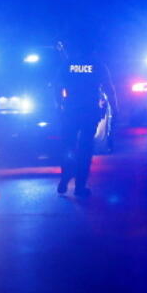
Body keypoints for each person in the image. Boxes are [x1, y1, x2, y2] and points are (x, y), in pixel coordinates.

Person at [53, 37, 117, 199]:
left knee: (68, 146)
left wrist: (59, 105)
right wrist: (115, 108)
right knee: (85, 148)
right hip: (89, 112)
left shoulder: (68, 64)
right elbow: (109, 87)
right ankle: (80, 186)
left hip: (70, 111)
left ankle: (65, 176)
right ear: (92, 49)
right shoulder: (97, 64)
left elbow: (57, 86)